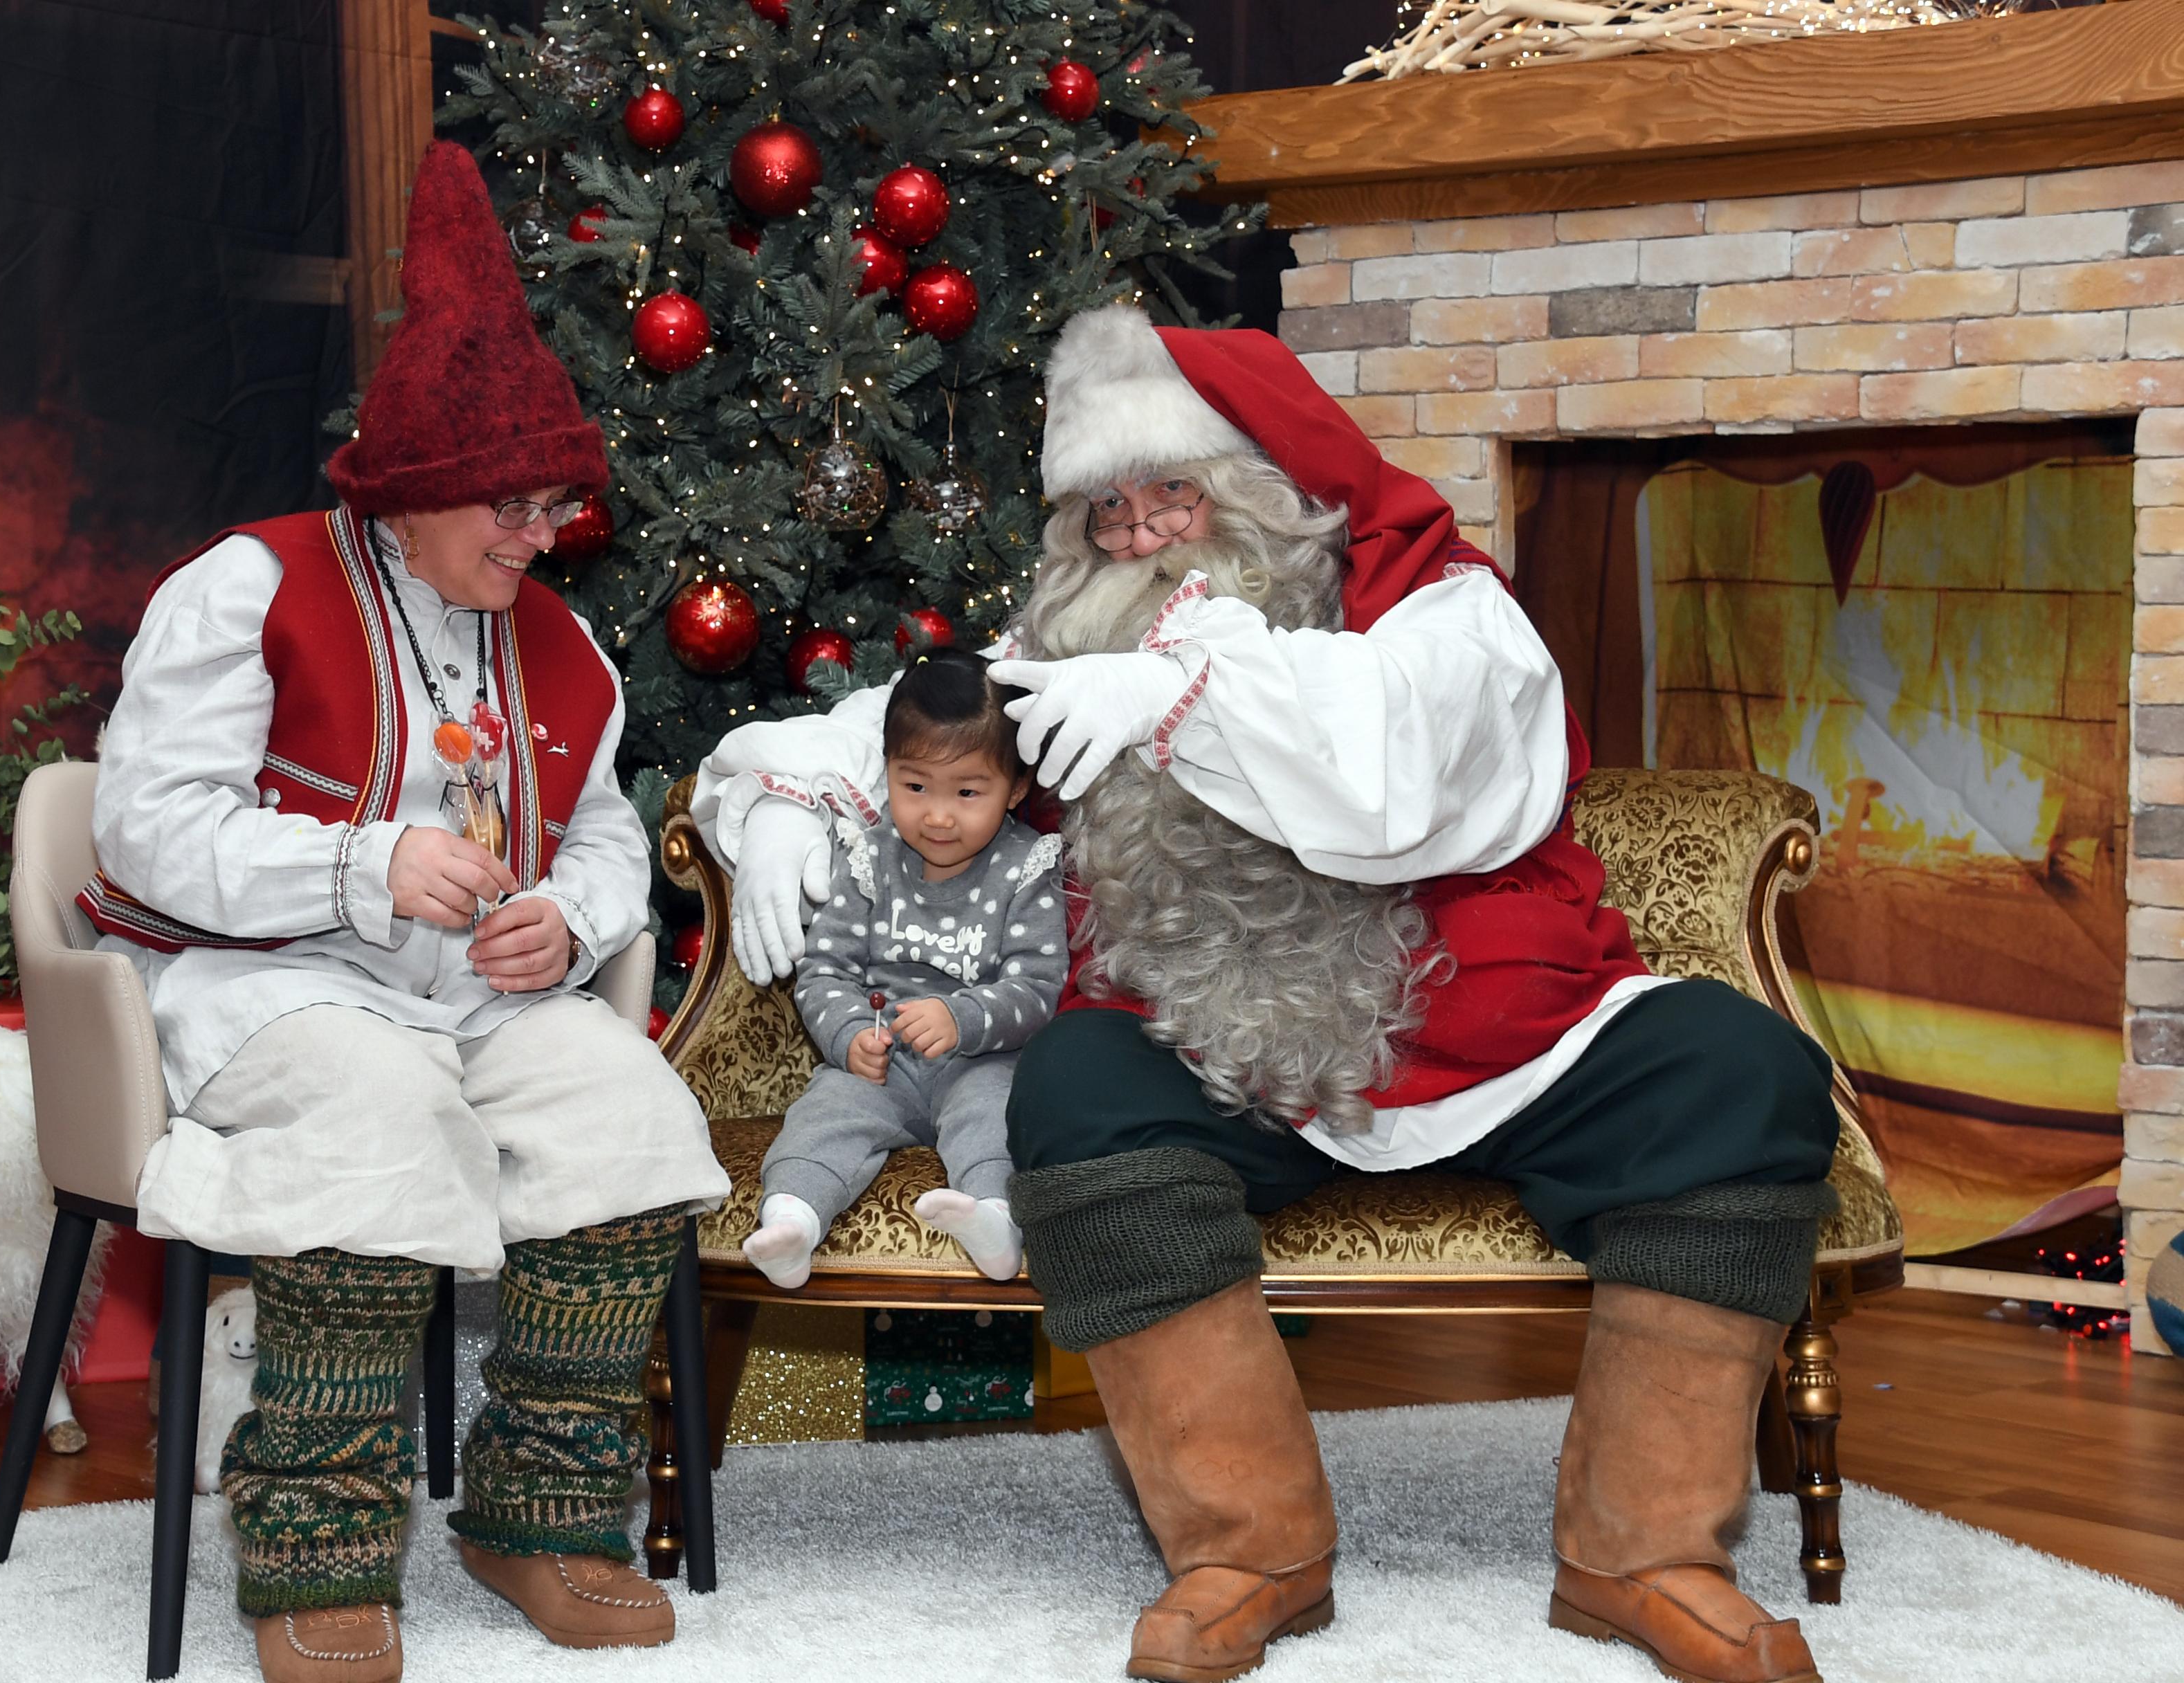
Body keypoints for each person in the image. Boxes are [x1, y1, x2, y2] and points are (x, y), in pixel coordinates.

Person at [692, 304, 1838, 1683]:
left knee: (1737, 1066)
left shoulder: (1442, 605)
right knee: (1077, 1085)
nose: (1137, 535)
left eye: (1168, 492)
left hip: (1488, 1027)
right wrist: (777, 802)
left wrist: (1176, 690)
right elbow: (915, 723)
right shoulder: (1071, 641)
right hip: (1215, 1042)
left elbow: (1393, 777)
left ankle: (1643, 1551)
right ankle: (1249, 1545)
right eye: (1104, 511)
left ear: (1266, 491)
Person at [87, 142, 729, 1683]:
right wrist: (356, 866)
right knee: (374, 1116)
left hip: (477, 1002)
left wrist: (567, 927)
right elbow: (144, 828)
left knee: (630, 1113)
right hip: (260, 990)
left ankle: (539, 1513)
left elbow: (599, 845)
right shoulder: (246, 588)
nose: (537, 534)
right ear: (417, 490)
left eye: (553, 505)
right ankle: (316, 1544)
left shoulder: (568, 649)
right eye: (509, 506)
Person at [742, 652, 1066, 1289]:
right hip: (881, 1058)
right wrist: (849, 1037)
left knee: (994, 1116)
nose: (939, 816)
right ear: (888, 771)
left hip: (982, 1060)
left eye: (969, 793)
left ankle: (995, 1222)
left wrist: (962, 1016)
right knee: (826, 1114)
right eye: (915, 787)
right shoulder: (871, 855)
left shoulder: (1026, 868)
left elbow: (1039, 990)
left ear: (1017, 789)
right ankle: (793, 1220)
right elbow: (825, 969)